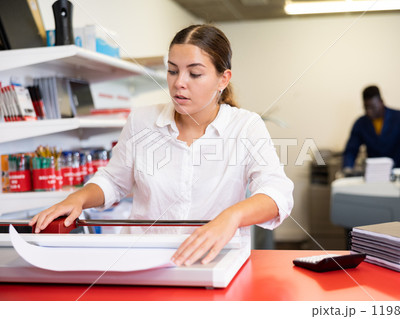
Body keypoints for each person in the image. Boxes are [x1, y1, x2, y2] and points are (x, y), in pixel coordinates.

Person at [29, 24, 294, 267]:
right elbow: (113, 180)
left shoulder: (246, 126)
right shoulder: (142, 120)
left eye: (195, 73)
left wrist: (231, 217)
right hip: (139, 259)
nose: (179, 82)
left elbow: (276, 193)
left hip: (213, 261)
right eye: (172, 70)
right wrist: (78, 198)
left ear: (223, 80)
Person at [342, 85, 400, 170]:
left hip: (399, 171)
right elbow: (351, 150)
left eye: (373, 107)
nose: (369, 112)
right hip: (374, 174)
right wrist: (347, 169)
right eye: (366, 108)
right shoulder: (360, 124)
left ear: (381, 102)